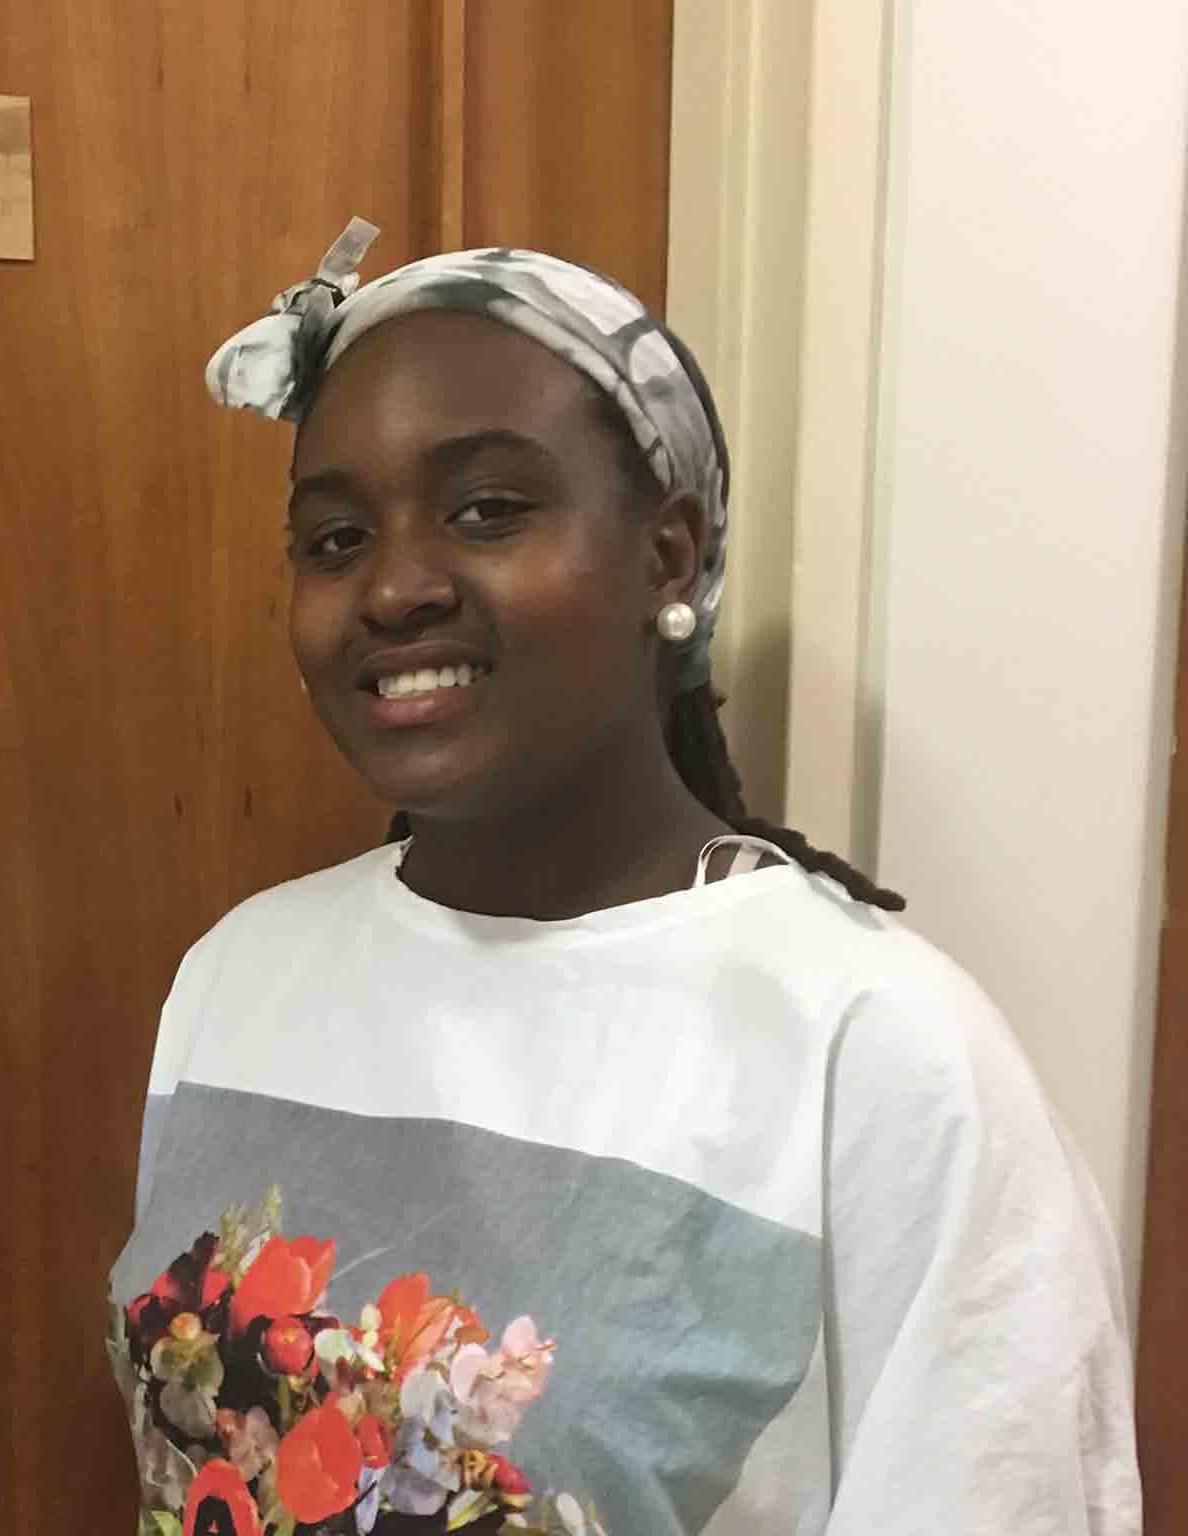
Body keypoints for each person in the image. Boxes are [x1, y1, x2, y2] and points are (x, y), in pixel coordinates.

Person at [106, 223, 1140, 1535]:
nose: (394, 587)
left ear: (668, 554)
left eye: (486, 509)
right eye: (335, 536)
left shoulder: (874, 1053)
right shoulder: (237, 978)